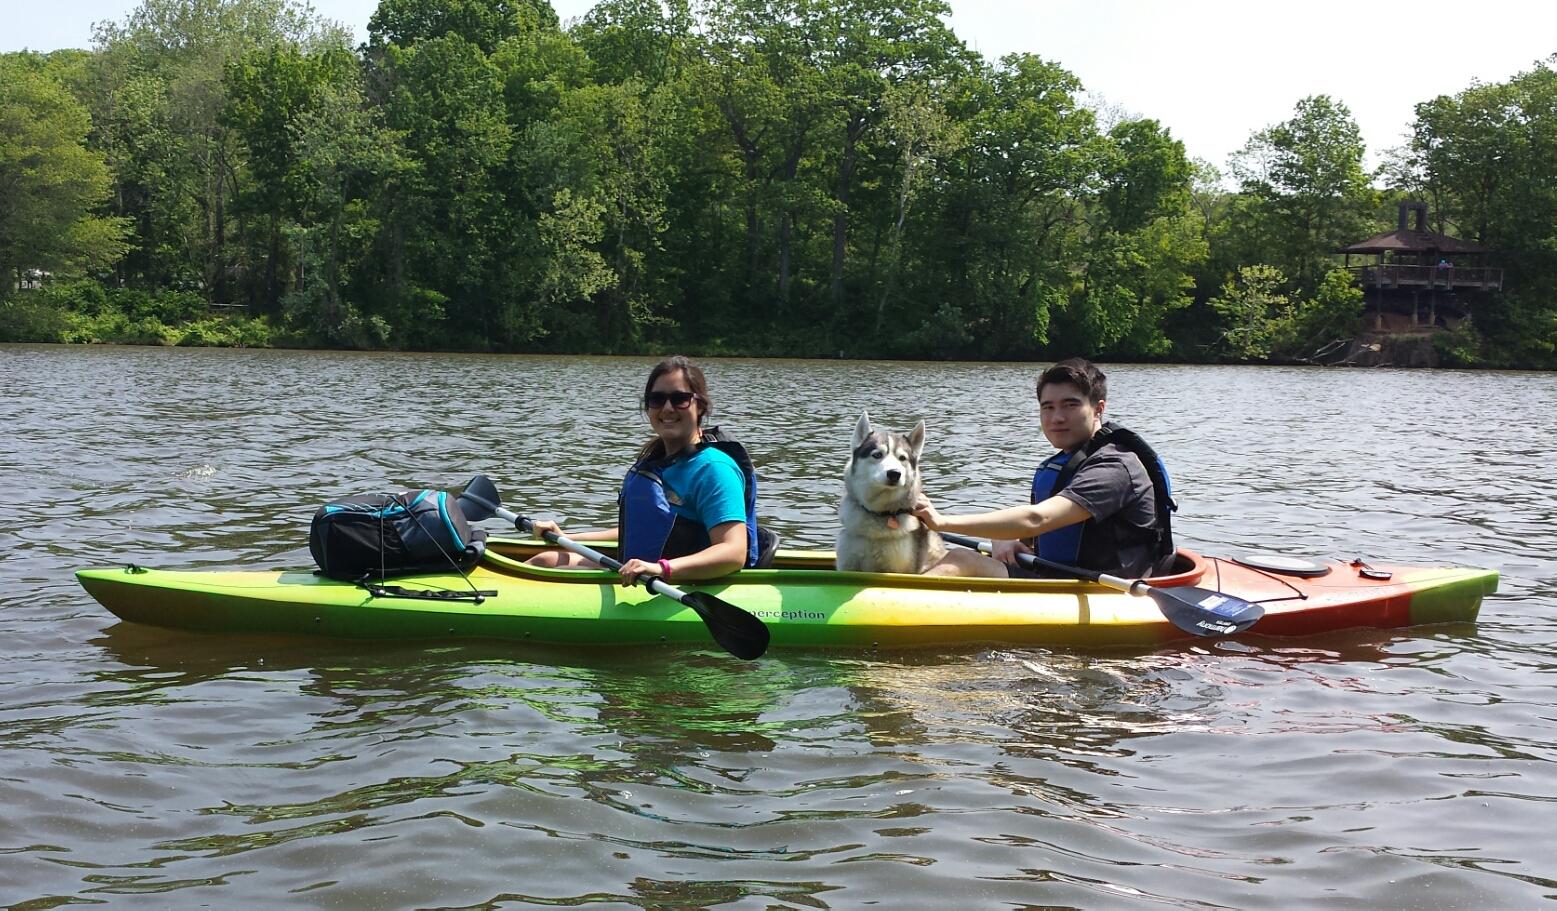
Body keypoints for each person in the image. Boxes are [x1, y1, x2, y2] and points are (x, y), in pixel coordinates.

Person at [912, 358, 1176, 579]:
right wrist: (1005, 539)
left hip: (1102, 588)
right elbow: (1038, 532)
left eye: (1070, 405)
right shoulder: (1064, 463)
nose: (1057, 418)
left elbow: (1036, 519)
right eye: (1047, 407)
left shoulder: (1114, 467)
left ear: (1098, 409)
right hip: (1060, 576)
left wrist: (943, 522)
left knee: (962, 560)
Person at [526, 356, 762, 587]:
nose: (667, 408)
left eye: (680, 399)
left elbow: (733, 552)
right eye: (657, 399)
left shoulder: (713, 470)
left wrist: (661, 569)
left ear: (699, 405)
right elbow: (646, 530)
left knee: (562, 575)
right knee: (547, 559)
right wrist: (566, 538)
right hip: (641, 574)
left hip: (679, 583)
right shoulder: (661, 461)